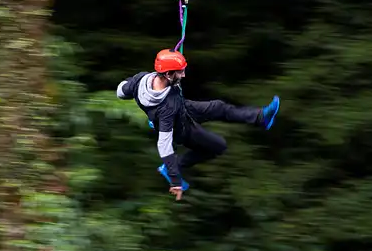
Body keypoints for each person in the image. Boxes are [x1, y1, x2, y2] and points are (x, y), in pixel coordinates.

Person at [115, 49, 280, 201]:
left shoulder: (141, 79)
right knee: (219, 145)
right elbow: (164, 145)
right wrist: (175, 180)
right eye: (180, 72)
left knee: (218, 106)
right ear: (167, 74)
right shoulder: (167, 106)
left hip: (183, 108)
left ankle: (261, 118)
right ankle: (172, 167)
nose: (184, 75)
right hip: (181, 128)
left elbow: (121, 91)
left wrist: (133, 87)